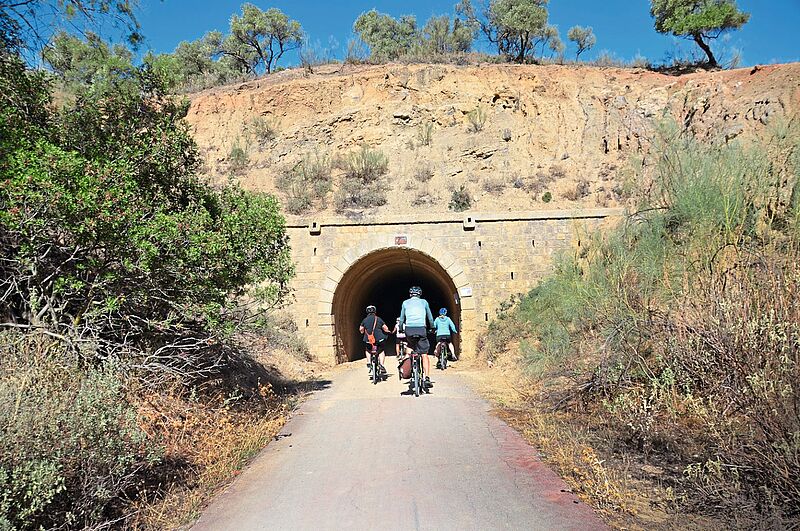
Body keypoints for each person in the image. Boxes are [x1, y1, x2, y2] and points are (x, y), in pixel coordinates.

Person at [398, 286, 435, 389]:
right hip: (421, 329)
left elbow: (401, 319)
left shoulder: (405, 303)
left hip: (409, 329)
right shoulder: (424, 302)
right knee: (424, 354)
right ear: (420, 294)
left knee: (409, 349)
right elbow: (430, 317)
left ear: (410, 294)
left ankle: (405, 370)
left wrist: (401, 329)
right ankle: (427, 378)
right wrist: (432, 327)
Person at [359, 305, 390, 377]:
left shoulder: (364, 320)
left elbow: (361, 329)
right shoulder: (378, 319)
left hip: (368, 340)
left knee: (368, 350)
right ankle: (381, 365)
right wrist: (388, 331)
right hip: (379, 339)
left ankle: (369, 362)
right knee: (381, 351)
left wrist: (363, 332)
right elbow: (385, 328)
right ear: (375, 311)